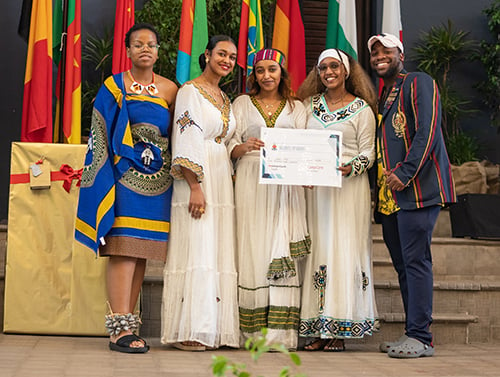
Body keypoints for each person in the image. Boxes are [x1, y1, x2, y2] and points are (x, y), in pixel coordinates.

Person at [75, 23, 178, 353]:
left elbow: (179, 136)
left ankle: (129, 326)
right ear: (128, 50)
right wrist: (104, 178)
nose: (145, 49)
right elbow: (101, 132)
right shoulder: (114, 85)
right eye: (138, 44)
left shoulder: (170, 89)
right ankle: (118, 328)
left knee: (142, 251)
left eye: (151, 44)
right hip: (123, 181)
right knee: (122, 249)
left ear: (159, 51)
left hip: (158, 185)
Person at [368, 33, 456, 358]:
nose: (380, 55)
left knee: (416, 262)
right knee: (404, 265)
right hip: (393, 199)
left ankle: (421, 337)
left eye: (386, 50)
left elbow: (428, 131)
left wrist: (405, 173)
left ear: (400, 53)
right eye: (374, 51)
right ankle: (412, 333)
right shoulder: (386, 95)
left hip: (418, 190)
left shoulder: (418, 82)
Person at [161, 35, 240, 351]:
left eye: (232, 57)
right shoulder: (189, 92)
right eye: (222, 54)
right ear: (207, 55)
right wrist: (194, 186)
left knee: (215, 248)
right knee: (197, 247)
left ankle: (213, 328)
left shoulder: (224, 97)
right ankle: (191, 329)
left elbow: (223, 140)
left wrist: (241, 149)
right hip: (198, 177)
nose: (227, 60)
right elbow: (187, 137)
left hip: (221, 177)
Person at [297, 49, 378, 352]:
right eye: (322, 68)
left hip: (349, 189)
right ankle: (318, 328)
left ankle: (340, 326)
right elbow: (299, 145)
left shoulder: (362, 109)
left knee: (343, 250)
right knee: (319, 250)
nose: (328, 72)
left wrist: (350, 166)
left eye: (334, 66)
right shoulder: (309, 106)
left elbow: (369, 152)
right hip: (317, 190)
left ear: (346, 71)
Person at [229, 48, 310, 350]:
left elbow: (305, 147)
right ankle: (250, 333)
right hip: (250, 179)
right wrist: (244, 147)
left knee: (280, 245)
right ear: (254, 74)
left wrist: (307, 175)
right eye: (260, 70)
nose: (266, 76)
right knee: (251, 245)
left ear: (282, 73)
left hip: (286, 185)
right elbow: (228, 145)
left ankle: (279, 334)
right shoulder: (241, 103)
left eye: (272, 70)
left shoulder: (296, 107)